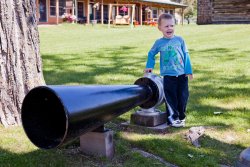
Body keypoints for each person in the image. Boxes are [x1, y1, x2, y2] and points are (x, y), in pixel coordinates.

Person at [144, 13, 193, 128]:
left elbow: (186, 55)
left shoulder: (180, 40)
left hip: (182, 75)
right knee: (170, 98)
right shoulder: (159, 43)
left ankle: (181, 117)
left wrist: (188, 70)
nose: (169, 28)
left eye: (172, 25)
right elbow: (151, 54)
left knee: (183, 97)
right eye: (166, 26)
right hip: (168, 76)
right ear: (160, 28)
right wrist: (149, 65)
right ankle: (172, 118)